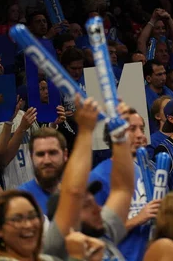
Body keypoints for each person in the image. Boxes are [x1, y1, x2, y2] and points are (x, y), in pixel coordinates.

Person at [43, 96, 133, 260]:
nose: (99, 209)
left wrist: (120, 133)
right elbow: (73, 192)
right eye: (86, 205)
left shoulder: (102, 231)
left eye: (94, 203)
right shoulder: (58, 248)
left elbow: (123, 190)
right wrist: (85, 130)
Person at [89, 108, 156, 261]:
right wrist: (138, 219)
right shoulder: (98, 177)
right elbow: (95, 236)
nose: (140, 135)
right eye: (132, 129)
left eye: (142, 128)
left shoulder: (146, 171)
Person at [17, 128, 68, 215]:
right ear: (31, 157)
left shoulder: (79, 194)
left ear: (65, 154)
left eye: (52, 153)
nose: (47, 161)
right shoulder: (19, 199)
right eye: (40, 154)